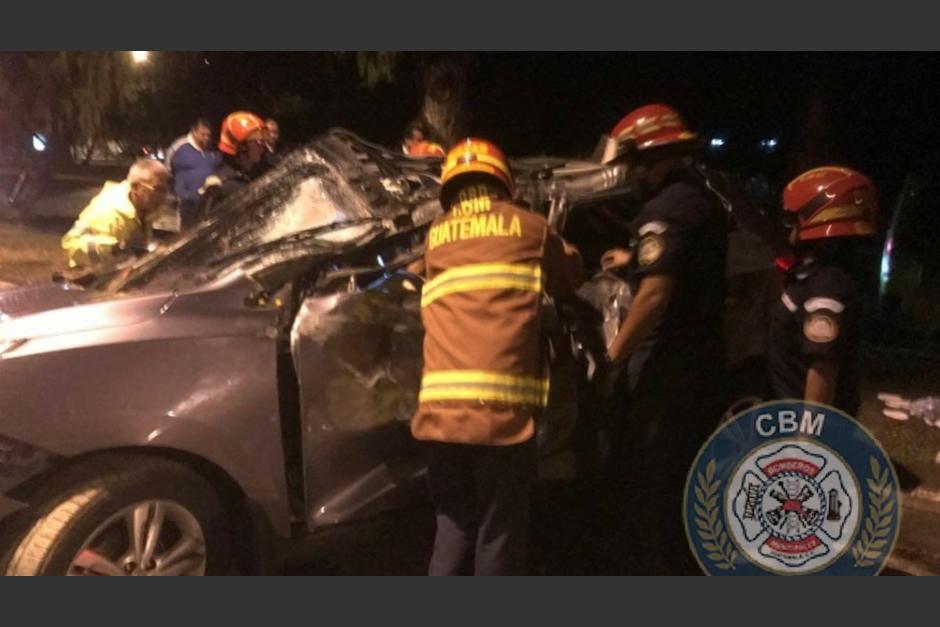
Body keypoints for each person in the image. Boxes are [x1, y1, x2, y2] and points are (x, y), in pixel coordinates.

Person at [412, 138, 584, 575]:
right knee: (498, 534)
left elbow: (413, 278)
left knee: (451, 527)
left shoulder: (433, 238)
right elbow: (570, 278)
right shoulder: (530, 227)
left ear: (450, 190)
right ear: (502, 183)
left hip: (438, 419)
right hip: (501, 423)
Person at [599, 104, 730, 573]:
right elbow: (675, 264)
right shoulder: (700, 199)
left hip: (669, 371)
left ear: (653, 159)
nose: (630, 176)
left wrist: (612, 358)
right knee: (681, 475)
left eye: (633, 165)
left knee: (652, 482)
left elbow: (655, 295)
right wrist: (631, 259)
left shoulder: (664, 211)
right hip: (701, 361)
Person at [767, 166, 877, 416]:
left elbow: (822, 370)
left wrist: (808, 445)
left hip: (806, 431)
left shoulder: (827, 287)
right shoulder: (818, 275)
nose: (788, 227)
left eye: (792, 219)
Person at [61, 159, 170, 271]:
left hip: (119, 275)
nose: (164, 196)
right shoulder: (108, 212)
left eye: (166, 190)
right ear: (136, 188)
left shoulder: (140, 206)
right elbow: (71, 244)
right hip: (93, 280)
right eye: (158, 189)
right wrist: (116, 248)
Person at [199, 111, 269, 213]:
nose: (263, 147)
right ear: (241, 146)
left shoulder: (257, 173)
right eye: (259, 141)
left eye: (264, 141)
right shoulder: (220, 185)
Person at [165, 118, 221, 228]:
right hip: (187, 204)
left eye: (208, 135)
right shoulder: (179, 147)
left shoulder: (212, 149)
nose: (206, 138)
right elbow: (167, 169)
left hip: (208, 204)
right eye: (203, 134)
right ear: (194, 131)